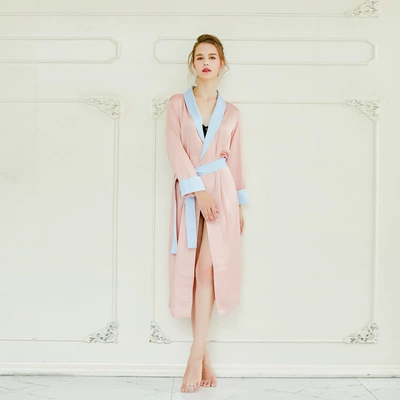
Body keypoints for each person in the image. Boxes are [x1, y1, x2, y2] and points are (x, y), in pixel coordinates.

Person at [165, 34, 249, 394]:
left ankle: (196, 354)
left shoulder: (232, 113)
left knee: (206, 270)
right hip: (191, 193)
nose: (206, 62)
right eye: (199, 57)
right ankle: (202, 356)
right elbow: (174, 149)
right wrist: (197, 191)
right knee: (190, 269)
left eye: (212, 57)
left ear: (221, 63)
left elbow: (237, 160)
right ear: (192, 63)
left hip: (223, 193)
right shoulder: (176, 104)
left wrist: (238, 204)